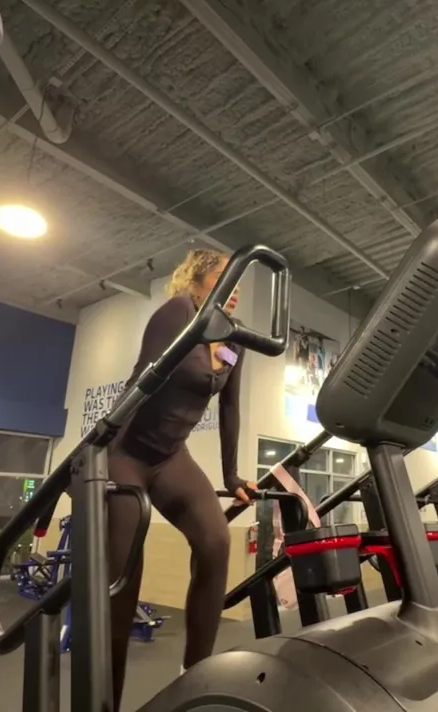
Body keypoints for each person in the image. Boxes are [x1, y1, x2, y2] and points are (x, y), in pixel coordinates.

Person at [106, 249, 254, 710]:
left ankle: (195, 674)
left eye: (238, 284)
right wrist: (96, 448)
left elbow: (230, 408)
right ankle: (105, 699)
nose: (234, 292)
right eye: (224, 280)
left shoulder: (235, 338)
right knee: (123, 577)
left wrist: (231, 475)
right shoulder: (178, 313)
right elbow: (144, 376)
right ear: (197, 280)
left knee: (215, 541)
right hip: (126, 451)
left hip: (172, 457)